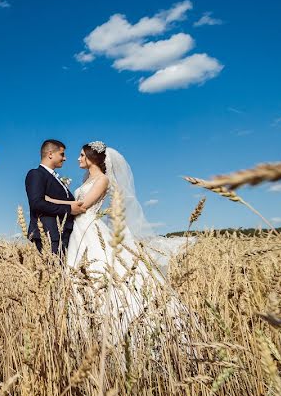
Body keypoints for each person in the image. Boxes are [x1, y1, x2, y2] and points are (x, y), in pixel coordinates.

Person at [43, 141, 191, 343]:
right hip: (79, 232)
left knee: (100, 272)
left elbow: (83, 206)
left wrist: (49, 201)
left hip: (90, 229)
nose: (77, 159)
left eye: (81, 155)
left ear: (91, 158)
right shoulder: (87, 180)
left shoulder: (102, 180)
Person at [24, 139, 84, 254]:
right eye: (62, 154)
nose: (65, 158)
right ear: (50, 154)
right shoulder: (36, 174)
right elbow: (37, 204)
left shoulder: (56, 178)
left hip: (64, 236)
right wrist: (69, 210)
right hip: (49, 235)